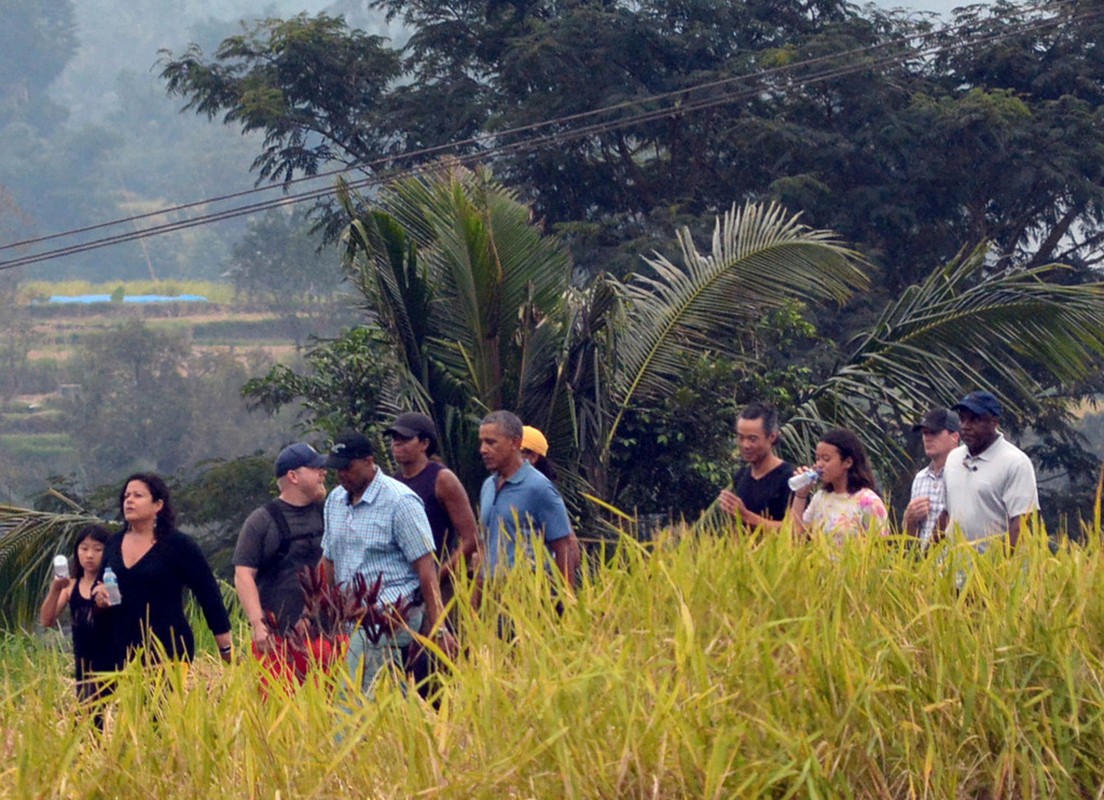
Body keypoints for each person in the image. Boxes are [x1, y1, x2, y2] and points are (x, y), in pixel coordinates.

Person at [320, 431, 454, 694]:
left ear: (369, 462)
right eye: (337, 469)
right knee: (385, 696)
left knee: (355, 697)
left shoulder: (400, 501)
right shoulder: (335, 500)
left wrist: (439, 629)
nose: (342, 475)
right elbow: (329, 560)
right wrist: (319, 611)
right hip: (351, 617)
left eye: (348, 468)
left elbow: (426, 569)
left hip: (391, 616)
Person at [96, 473, 232, 666]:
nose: (129, 501)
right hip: (121, 652)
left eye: (138, 496)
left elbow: (209, 595)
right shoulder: (112, 543)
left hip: (170, 650)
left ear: (158, 505)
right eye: (126, 496)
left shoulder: (178, 545)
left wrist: (225, 647)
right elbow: (97, 586)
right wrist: (99, 596)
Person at [233, 442, 328, 681]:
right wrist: (258, 624)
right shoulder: (261, 521)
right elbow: (244, 574)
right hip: (277, 641)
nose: (323, 473)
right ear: (293, 476)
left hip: (327, 636)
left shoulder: (330, 511)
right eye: (315, 468)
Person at [478, 411, 579, 586]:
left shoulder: (539, 488)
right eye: (482, 442)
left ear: (515, 443)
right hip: (492, 598)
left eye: (491, 442)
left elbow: (564, 548)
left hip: (528, 597)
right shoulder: (488, 486)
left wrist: (567, 602)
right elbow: (485, 549)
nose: (483, 450)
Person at [386, 412, 481, 584]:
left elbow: (471, 538)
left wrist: (437, 576)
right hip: (405, 586)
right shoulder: (394, 483)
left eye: (405, 438)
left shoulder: (442, 479)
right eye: (394, 438)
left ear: (424, 443)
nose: (397, 443)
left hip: (441, 583)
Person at [942, 390, 1039, 551]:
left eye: (975, 420)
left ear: (994, 422)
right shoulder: (953, 458)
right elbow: (945, 514)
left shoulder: (1015, 463)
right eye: (963, 419)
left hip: (992, 569)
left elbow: (1021, 524)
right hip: (953, 569)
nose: (965, 426)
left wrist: (1002, 570)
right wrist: (924, 561)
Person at [40, 524, 116, 709]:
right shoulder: (71, 586)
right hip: (83, 661)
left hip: (113, 659)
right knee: (88, 716)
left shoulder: (112, 582)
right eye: (84, 548)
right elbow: (46, 620)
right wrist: (56, 588)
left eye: (98, 549)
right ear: (77, 551)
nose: (89, 555)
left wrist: (108, 595)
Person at [790, 428, 888, 544]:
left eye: (826, 459)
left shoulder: (868, 502)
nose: (819, 465)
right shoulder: (820, 498)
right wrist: (801, 495)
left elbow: (882, 547)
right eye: (817, 458)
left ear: (848, 462)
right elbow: (794, 538)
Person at [717, 403, 794, 530]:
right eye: (741, 438)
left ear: (772, 437)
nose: (745, 445)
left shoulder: (790, 478)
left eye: (752, 439)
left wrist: (746, 516)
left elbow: (796, 529)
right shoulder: (741, 475)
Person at [902, 408, 960, 549]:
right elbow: (911, 539)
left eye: (934, 432)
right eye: (925, 433)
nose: (927, 437)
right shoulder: (920, 478)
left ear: (955, 437)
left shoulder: (964, 474)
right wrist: (910, 519)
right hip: (925, 566)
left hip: (957, 565)